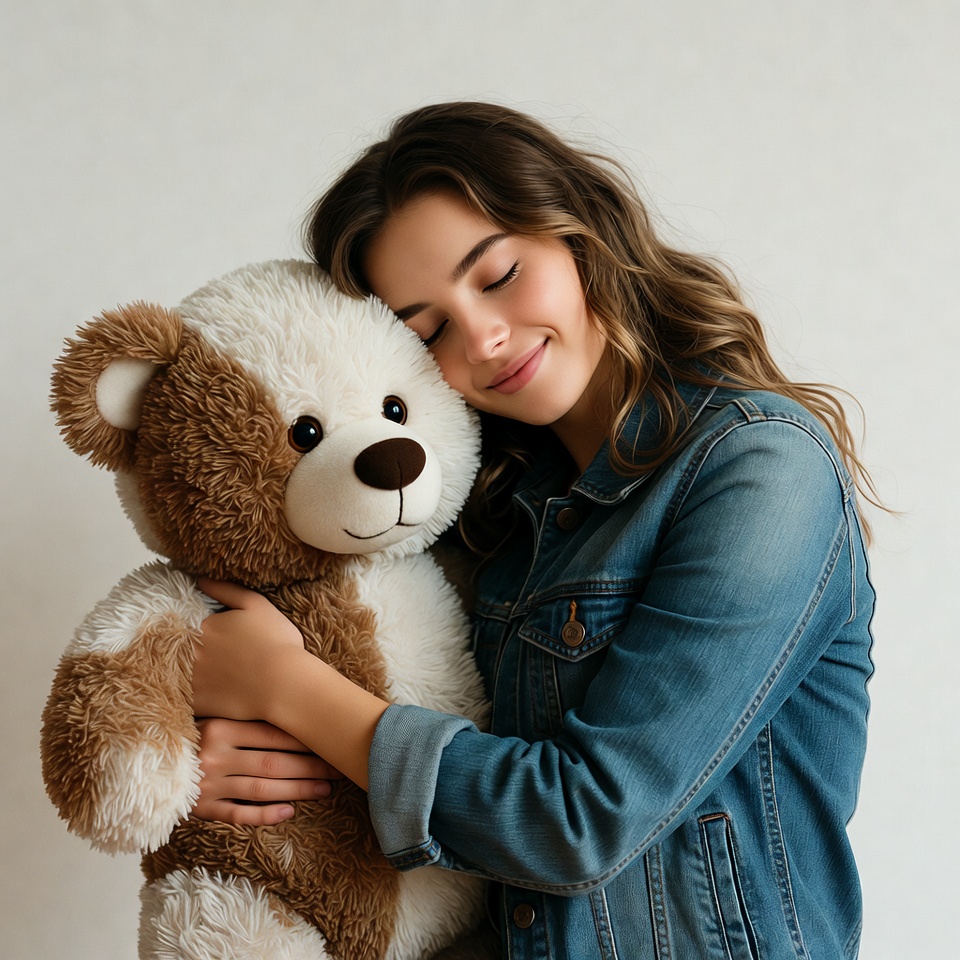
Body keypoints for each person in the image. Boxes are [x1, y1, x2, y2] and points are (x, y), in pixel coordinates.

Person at [191, 101, 878, 958]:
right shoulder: (482, 518)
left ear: (579, 233)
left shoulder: (760, 468)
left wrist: (286, 689)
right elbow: (430, 767)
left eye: (499, 274)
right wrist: (230, 769)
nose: (481, 337)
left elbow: (578, 825)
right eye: (428, 327)